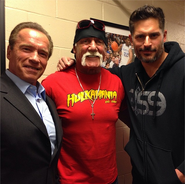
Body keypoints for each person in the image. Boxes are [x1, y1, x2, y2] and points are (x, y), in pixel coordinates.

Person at [58, 5, 185, 184]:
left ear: (164, 36)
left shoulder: (182, 70)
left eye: (153, 35)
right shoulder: (125, 74)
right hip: (140, 176)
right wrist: (73, 62)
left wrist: (181, 173)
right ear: (131, 39)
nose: (147, 42)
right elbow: (96, 70)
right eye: (140, 36)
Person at [42, 19, 126, 184]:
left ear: (105, 50)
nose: (93, 46)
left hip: (109, 179)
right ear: (74, 48)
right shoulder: (52, 84)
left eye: (99, 42)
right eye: (85, 41)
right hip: (69, 180)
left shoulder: (116, 83)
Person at [0, 22, 63, 184]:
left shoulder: (46, 98)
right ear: (9, 51)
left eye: (42, 53)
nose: (35, 59)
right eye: (26, 49)